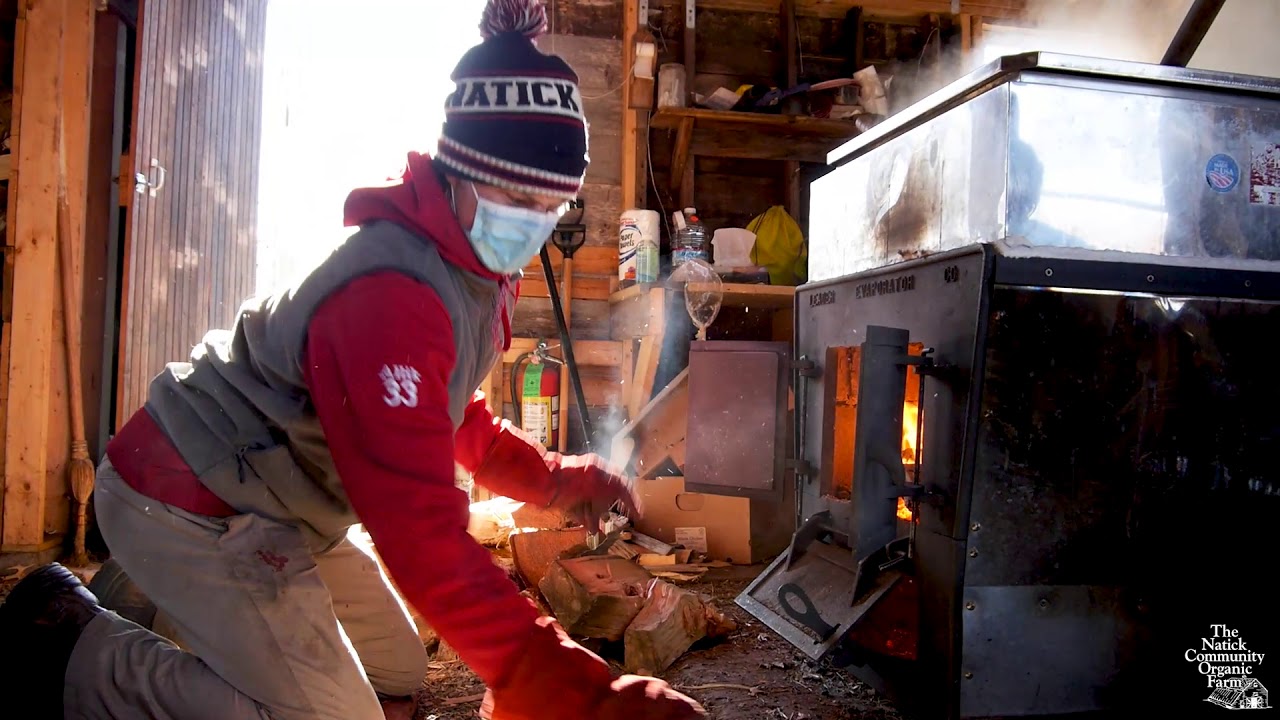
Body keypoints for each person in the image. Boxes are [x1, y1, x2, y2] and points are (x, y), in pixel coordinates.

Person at [0, 1, 707, 718]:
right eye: (514, 193)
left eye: (551, 204)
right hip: (194, 497)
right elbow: (415, 525)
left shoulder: (476, 272)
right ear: (458, 168)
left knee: (397, 673)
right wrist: (543, 673)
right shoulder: (391, 293)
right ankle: (74, 646)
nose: (531, 218)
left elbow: (458, 423)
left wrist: (557, 481)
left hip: (281, 512)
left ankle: (159, 603)